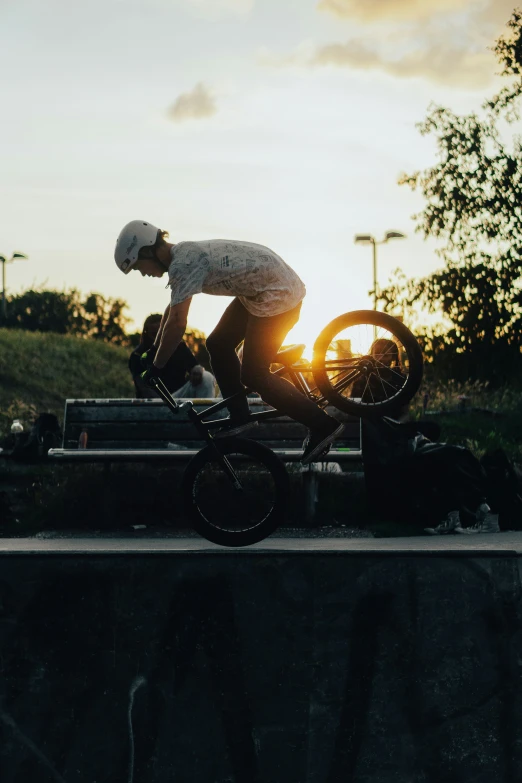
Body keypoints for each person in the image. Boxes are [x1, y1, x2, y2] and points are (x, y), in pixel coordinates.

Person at [114, 220, 343, 462]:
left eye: (140, 267)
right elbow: (172, 311)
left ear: (147, 250)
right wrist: (153, 351)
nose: (143, 273)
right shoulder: (181, 256)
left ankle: (322, 425)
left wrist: (157, 367)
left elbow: (178, 324)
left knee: (254, 375)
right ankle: (239, 414)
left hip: (278, 293)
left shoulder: (183, 263)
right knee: (218, 343)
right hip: (259, 290)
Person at [129, 313, 198, 399]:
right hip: (155, 402)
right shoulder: (138, 355)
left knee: (206, 377)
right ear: (146, 333)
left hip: (179, 397)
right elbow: (142, 386)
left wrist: (196, 374)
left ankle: (206, 409)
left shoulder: (180, 348)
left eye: (161, 333)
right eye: (154, 334)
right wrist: (163, 403)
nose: (158, 338)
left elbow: (196, 369)